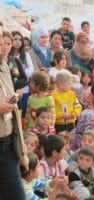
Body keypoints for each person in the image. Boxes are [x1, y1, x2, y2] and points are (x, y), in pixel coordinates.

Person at [0, 35, 28, 200]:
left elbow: (14, 113)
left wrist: (22, 151)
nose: (2, 44)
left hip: (7, 145)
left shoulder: (4, 65)